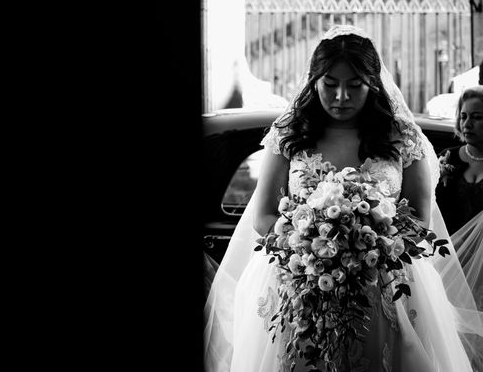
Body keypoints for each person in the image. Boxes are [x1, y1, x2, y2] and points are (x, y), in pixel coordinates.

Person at [203, 25, 483, 371]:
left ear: (373, 84)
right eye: (330, 85)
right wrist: (305, 242)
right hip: (299, 279)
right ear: (314, 81)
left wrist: (370, 243)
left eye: (354, 86)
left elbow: (420, 220)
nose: (341, 97)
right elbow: (262, 216)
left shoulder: (402, 137)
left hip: (382, 282)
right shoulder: (290, 135)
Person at [435, 86, 483, 316]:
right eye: (464, 116)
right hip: (451, 261)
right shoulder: (448, 157)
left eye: (477, 117)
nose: (468, 124)